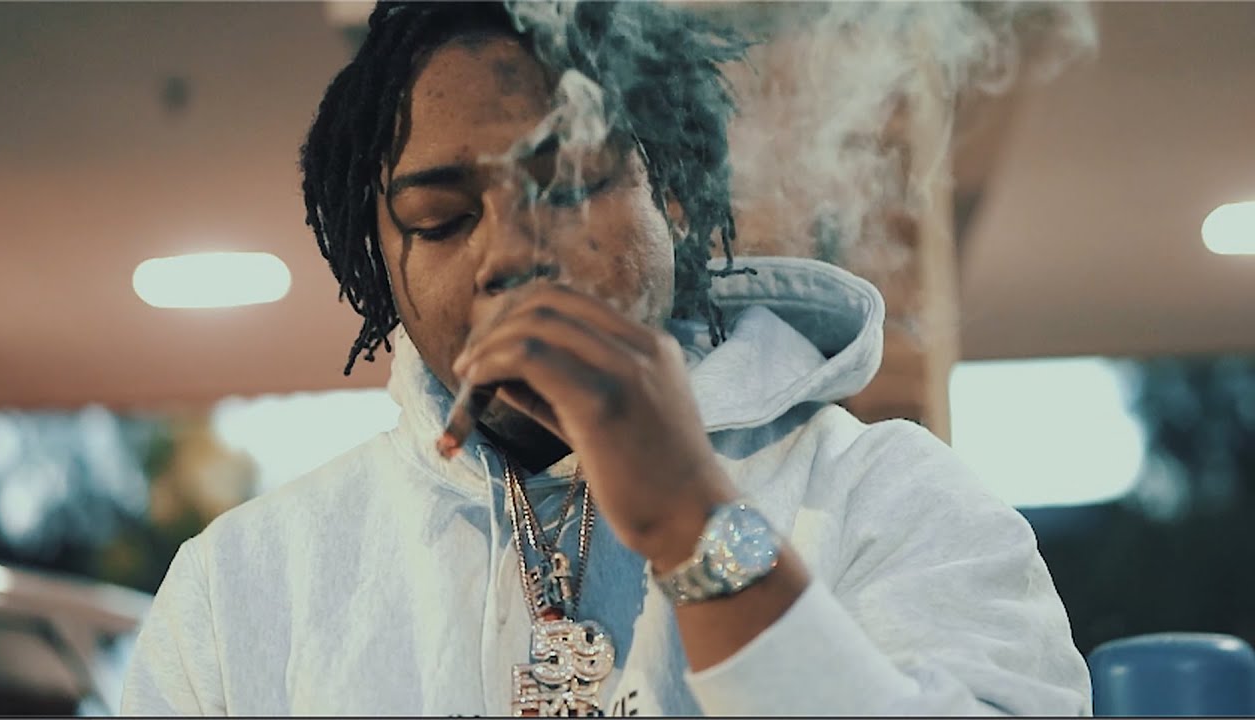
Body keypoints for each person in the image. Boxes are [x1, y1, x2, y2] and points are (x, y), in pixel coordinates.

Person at [121, 1, 1092, 715]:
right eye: (440, 218)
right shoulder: (243, 584)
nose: (508, 254)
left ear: (676, 197)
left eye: (567, 183)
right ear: (379, 263)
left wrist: (691, 518)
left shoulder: (884, 497)